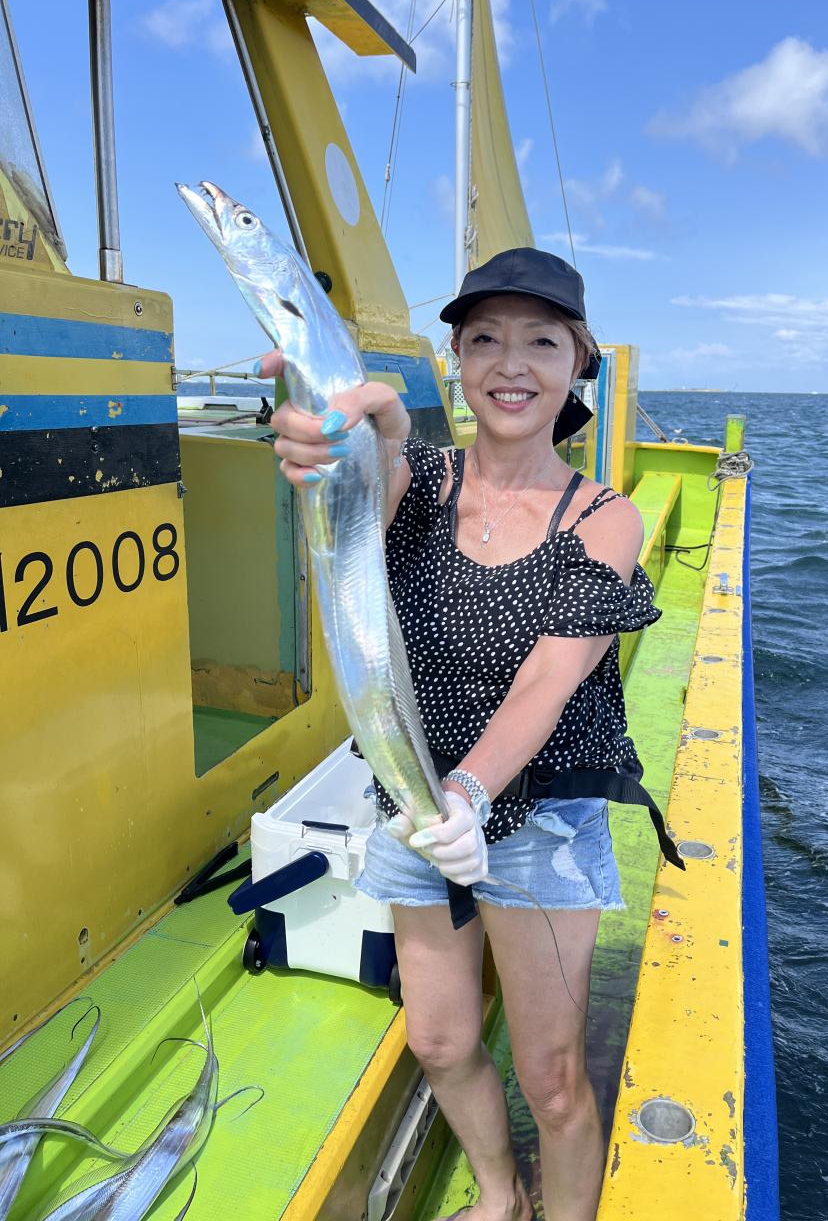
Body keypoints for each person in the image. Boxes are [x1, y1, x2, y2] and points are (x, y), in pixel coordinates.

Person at [262, 248, 672, 1221]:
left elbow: (547, 681)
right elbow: (353, 508)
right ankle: (500, 1197)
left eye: (542, 341)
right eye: (484, 338)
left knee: (554, 1079)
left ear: (580, 362)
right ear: (457, 359)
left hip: (535, 819)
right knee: (439, 1041)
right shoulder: (423, 483)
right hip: (415, 801)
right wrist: (342, 446)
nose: (510, 363)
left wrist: (472, 793)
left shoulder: (604, 516)